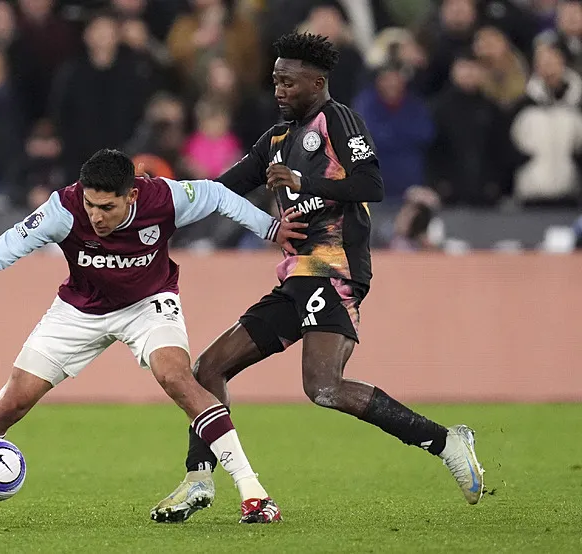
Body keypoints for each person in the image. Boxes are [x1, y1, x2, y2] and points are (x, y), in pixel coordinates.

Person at [150, 32, 485, 524]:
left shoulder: (338, 120)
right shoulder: (276, 140)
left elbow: (372, 184)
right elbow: (220, 191)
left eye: (289, 80)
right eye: (275, 80)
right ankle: (199, 480)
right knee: (208, 369)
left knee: (323, 387)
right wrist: (156, 207)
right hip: (297, 277)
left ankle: (446, 442)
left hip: (334, 268)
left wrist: (306, 183)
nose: (279, 89)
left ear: (318, 81)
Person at [0, 149, 307, 523]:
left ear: (131, 196)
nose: (96, 216)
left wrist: (270, 230)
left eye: (107, 207)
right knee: (11, 402)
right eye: (90, 204)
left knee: (178, 377)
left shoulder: (164, 198)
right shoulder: (63, 209)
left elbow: (218, 196)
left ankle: (254, 494)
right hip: (79, 310)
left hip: (149, 302)